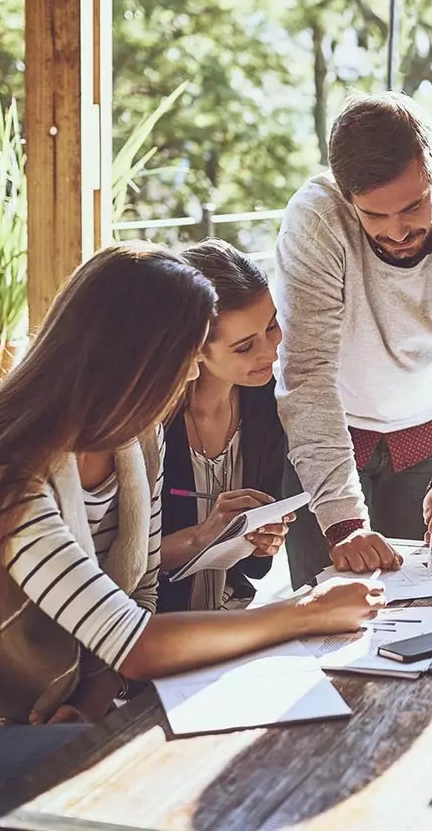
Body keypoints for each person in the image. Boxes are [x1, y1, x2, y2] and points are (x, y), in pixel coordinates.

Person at [0, 242, 382, 831]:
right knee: (176, 775)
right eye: (186, 358)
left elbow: (136, 597)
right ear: (132, 358)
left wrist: (88, 704)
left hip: (57, 716)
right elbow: (136, 641)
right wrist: (302, 613)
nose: (193, 375)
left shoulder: (136, 445)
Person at [275, 92, 432, 584]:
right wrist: (343, 522)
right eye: (374, 216)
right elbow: (307, 377)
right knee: (323, 615)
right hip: (325, 440)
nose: (398, 231)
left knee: (424, 609)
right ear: (346, 197)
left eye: (412, 206)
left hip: (426, 444)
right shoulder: (316, 220)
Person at [158, 240, 291, 612]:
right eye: (245, 347)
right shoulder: (151, 424)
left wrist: (263, 539)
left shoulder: (266, 404)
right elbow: (118, 568)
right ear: (195, 348)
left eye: (272, 327)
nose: (270, 352)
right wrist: (201, 535)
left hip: (230, 613)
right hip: (153, 624)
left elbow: (255, 567)